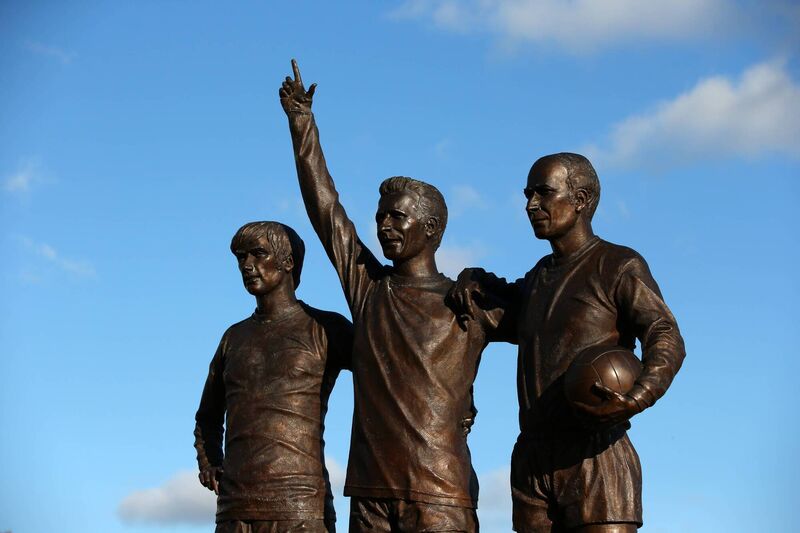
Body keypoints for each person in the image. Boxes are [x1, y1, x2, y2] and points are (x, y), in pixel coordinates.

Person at [280, 60, 510, 533]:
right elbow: (326, 210)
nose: (383, 225)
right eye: (381, 216)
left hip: (441, 496)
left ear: (431, 229)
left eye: (397, 218)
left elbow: (550, 322)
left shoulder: (469, 300)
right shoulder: (369, 289)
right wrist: (302, 124)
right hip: (370, 495)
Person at [450, 153, 686, 532]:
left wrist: (640, 394)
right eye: (528, 194)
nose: (531, 205)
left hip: (596, 455)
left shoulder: (618, 265)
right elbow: (495, 308)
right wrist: (474, 276)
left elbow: (664, 332)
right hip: (533, 462)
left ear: (581, 200)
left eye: (543, 193)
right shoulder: (538, 278)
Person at [194, 221, 353, 533]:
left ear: (288, 261)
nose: (247, 265)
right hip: (235, 510)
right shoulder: (233, 337)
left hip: (301, 509)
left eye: (257, 254)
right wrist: (210, 462)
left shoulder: (326, 328)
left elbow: (388, 376)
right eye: (241, 257)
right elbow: (208, 417)